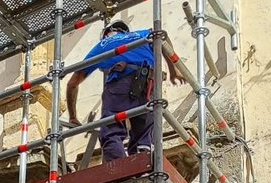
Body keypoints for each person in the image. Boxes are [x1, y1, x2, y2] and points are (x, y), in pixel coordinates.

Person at [65, 20, 183, 163]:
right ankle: (143, 160)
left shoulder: (103, 45)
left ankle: (117, 166)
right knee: (143, 131)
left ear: (106, 34)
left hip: (121, 84)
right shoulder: (142, 34)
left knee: (111, 129)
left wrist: (72, 116)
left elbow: (72, 84)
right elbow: (162, 37)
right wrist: (173, 70)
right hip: (149, 84)